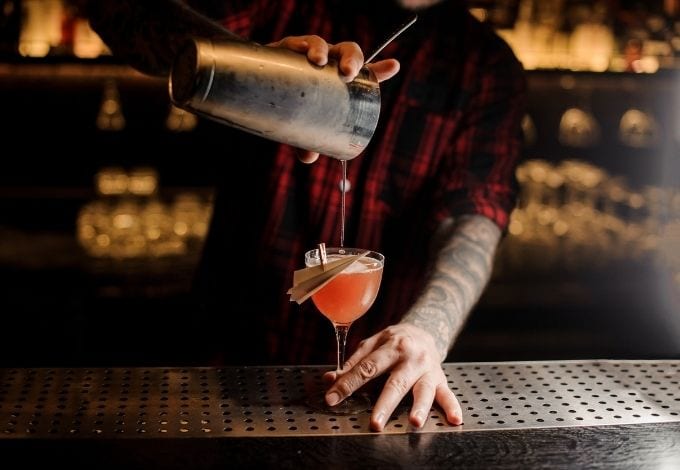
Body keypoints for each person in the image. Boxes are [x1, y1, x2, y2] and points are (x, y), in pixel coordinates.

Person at [82, 0, 527, 432]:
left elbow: (475, 217)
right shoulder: (290, 4)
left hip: (373, 391)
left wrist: (428, 329)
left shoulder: (485, 67)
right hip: (230, 361)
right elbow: (121, 15)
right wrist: (254, 65)